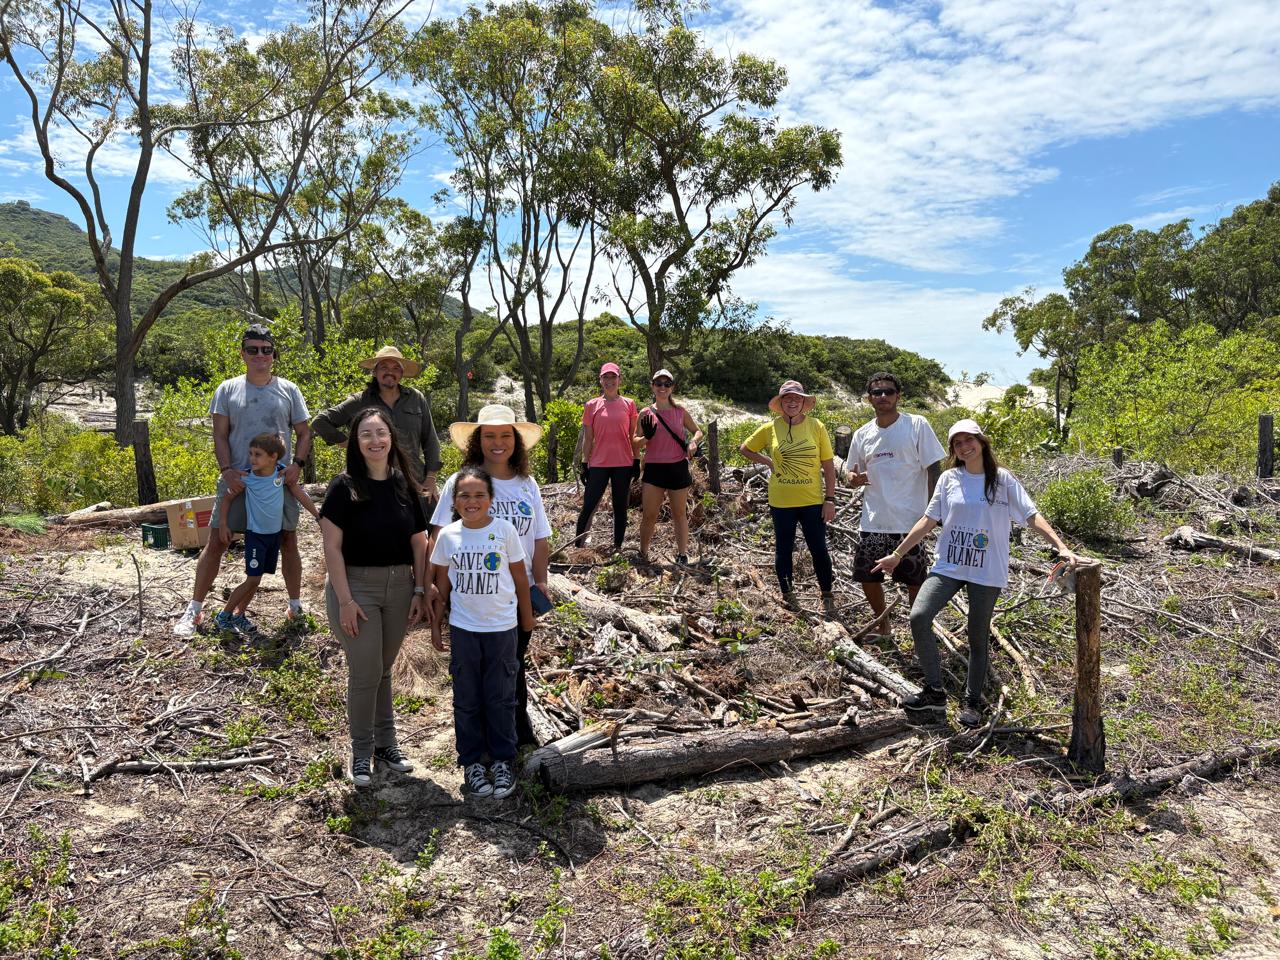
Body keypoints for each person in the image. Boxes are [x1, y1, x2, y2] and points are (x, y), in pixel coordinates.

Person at [873, 418, 1080, 727]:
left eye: (969, 440)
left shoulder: (1002, 480)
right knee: (919, 616)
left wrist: (1061, 546)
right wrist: (897, 554)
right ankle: (934, 691)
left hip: (986, 569)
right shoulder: (948, 479)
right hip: (949, 565)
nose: (964, 446)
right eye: (957, 443)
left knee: (977, 636)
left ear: (982, 442)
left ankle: (972, 702)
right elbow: (929, 520)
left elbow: (1031, 515)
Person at [173, 324, 312, 637]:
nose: (260, 355)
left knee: (288, 540)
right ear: (243, 354)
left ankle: (295, 605)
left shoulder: (289, 390)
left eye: (266, 349)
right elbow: (220, 435)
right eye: (253, 349)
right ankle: (194, 610)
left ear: (273, 354)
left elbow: (304, 433)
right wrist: (227, 471)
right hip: (239, 481)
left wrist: (297, 466)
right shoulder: (227, 389)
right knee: (217, 542)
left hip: (278, 483)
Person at [319, 406, 428, 787]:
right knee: (365, 673)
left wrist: (419, 588)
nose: (375, 440)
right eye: (366, 434)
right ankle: (361, 751)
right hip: (355, 587)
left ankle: (387, 744)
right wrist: (346, 600)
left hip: (400, 588)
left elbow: (420, 541)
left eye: (381, 433)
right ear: (356, 442)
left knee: (382, 670)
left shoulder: (404, 484)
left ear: (391, 438)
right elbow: (332, 548)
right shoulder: (343, 487)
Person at [431, 404, 549, 747]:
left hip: (519, 593)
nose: (498, 443)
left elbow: (540, 538)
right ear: (477, 441)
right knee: (475, 670)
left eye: (505, 435)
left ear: (515, 440)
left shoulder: (528, 484)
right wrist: (432, 588)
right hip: (472, 593)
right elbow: (439, 536)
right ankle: (481, 741)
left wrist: (540, 583)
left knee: (511, 665)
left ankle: (514, 736)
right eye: (489, 436)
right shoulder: (462, 482)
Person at [430, 466, 535, 801]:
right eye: (464, 495)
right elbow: (442, 588)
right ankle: (473, 762)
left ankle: (504, 760)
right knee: (467, 698)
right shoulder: (449, 536)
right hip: (464, 631)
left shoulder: (503, 531)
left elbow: (520, 578)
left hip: (503, 629)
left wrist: (527, 620)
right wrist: (435, 626)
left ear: (490, 499)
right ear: (454, 500)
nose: (471, 501)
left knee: (502, 696)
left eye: (479, 495)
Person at [846, 372, 946, 637]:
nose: (882, 397)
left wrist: (933, 511)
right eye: (877, 393)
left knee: (915, 580)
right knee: (868, 576)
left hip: (911, 520)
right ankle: (883, 625)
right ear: (869, 399)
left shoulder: (917, 424)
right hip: (874, 519)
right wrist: (853, 479)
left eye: (888, 391)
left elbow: (934, 467)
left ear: (898, 396)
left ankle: (918, 631)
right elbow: (850, 472)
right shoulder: (862, 434)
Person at [739, 380, 839, 618]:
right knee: (784, 548)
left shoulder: (817, 426)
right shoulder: (771, 428)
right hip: (781, 501)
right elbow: (745, 448)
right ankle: (788, 594)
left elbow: (828, 464)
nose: (792, 402)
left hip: (812, 500)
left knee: (819, 549)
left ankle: (827, 594)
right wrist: (768, 462)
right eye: (787, 398)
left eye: (797, 398)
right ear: (781, 403)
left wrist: (830, 499)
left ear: (804, 402)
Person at [214, 432, 319, 634]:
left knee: (258, 578)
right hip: (256, 536)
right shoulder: (247, 478)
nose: (252, 458)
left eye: (257, 454)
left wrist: (318, 515)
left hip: (274, 536)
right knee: (252, 579)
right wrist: (224, 524)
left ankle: (239, 614)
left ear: (273, 457)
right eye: (251, 453)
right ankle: (224, 615)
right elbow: (227, 499)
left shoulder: (281, 475)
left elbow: (300, 494)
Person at [312, 345, 443, 506]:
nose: (390, 372)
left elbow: (430, 439)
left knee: (420, 529)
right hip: (371, 483)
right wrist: (349, 443)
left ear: (402, 373)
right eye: (384, 367)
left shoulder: (416, 398)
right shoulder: (360, 401)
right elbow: (320, 422)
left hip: (413, 481)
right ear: (374, 371)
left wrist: (431, 478)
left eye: (396, 368)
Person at [634, 368, 702, 565]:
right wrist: (647, 437)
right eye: (658, 384)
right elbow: (635, 442)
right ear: (652, 386)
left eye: (666, 384)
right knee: (649, 515)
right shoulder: (645, 413)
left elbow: (697, 431)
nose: (662, 388)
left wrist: (693, 442)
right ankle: (643, 553)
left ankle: (682, 554)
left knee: (679, 513)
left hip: (677, 467)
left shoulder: (680, 411)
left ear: (672, 387)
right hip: (654, 469)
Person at [574, 362, 638, 554]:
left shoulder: (629, 404)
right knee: (589, 505)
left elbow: (632, 436)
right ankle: (578, 548)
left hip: (623, 463)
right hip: (599, 464)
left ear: (620, 379)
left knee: (620, 507)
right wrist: (585, 463)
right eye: (606, 377)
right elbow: (588, 438)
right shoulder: (592, 405)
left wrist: (636, 461)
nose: (610, 381)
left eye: (613, 377)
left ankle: (617, 547)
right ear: (600, 380)